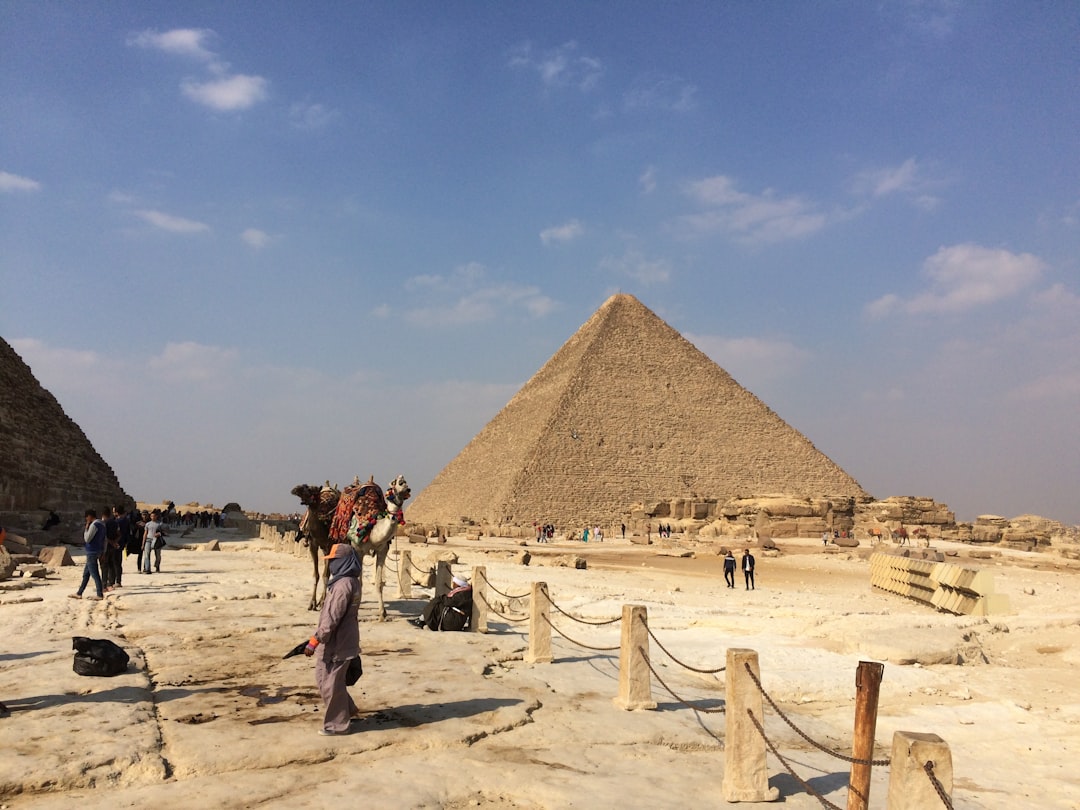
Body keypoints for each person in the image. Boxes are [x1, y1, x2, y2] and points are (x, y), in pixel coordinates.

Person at [304, 543, 362, 736]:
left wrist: (315, 641)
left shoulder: (342, 585)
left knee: (329, 683)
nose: (331, 565)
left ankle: (337, 725)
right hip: (345, 640)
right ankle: (347, 709)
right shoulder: (352, 581)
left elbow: (331, 617)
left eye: (334, 561)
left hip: (336, 643)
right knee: (330, 681)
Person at [71, 509, 106, 600]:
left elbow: (87, 539)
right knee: (86, 574)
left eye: (87, 517)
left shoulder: (94, 525)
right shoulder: (102, 524)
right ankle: (79, 592)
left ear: (89, 516)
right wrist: (103, 552)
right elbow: (104, 540)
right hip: (98, 550)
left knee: (95, 574)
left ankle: (99, 594)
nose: (86, 519)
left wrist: (86, 528)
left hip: (92, 551)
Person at [142, 509, 166, 574]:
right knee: (147, 555)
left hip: (157, 540)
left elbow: (164, 532)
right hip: (148, 540)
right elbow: (145, 533)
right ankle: (147, 569)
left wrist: (160, 534)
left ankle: (157, 566)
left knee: (158, 555)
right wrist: (143, 543)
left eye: (154, 516)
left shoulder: (160, 524)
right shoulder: (147, 524)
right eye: (151, 516)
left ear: (156, 516)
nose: (153, 517)